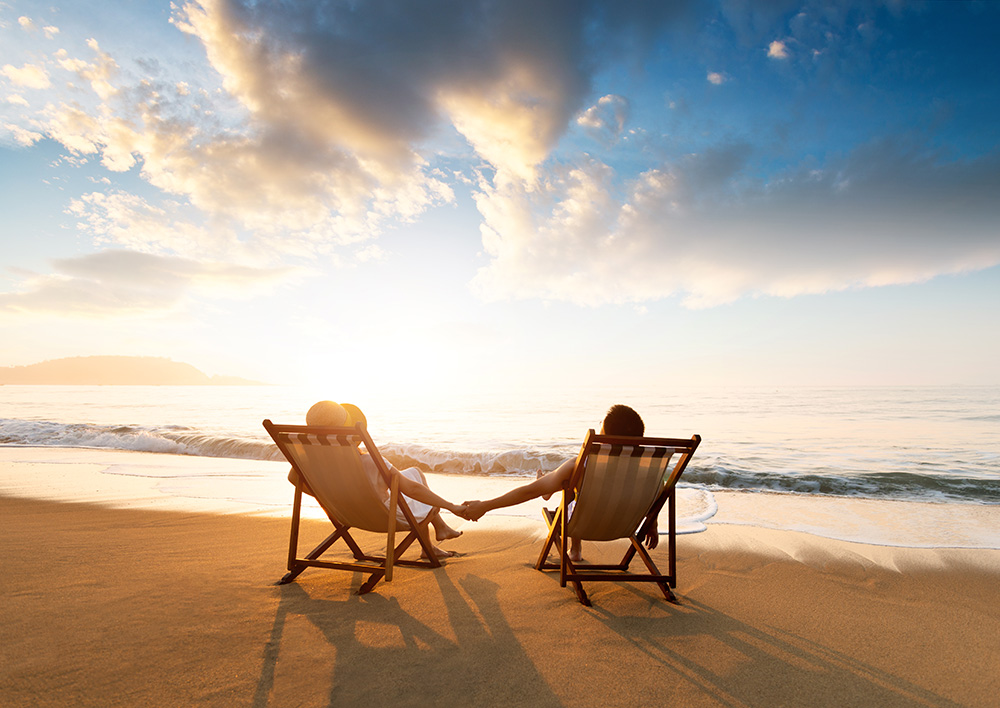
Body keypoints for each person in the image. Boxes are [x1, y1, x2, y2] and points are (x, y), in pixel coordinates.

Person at [461, 404, 655, 562]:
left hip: (582, 524)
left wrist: (485, 506)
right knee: (572, 484)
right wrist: (652, 524)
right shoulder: (650, 470)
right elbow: (655, 496)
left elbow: (529, 492)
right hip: (625, 526)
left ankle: (573, 544)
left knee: (570, 484)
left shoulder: (582, 464)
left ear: (604, 438)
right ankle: (550, 485)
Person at [289, 400, 466, 558]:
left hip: (346, 513)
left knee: (414, 472)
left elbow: (292, 478)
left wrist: (328, 497)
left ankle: (435, 537)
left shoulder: (309, 462)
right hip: (383, 516)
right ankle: (434, 539)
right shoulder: (370, 462)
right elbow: (412, 490)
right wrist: (451, 506)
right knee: (415, 483)